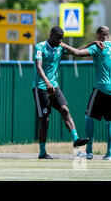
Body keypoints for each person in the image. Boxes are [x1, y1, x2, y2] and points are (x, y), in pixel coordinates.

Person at [61, 26, 111, 161]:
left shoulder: (98, 47)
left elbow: (77, 53)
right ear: (108, 35)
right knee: (110, 121)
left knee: (89, 117)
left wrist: (62, 44)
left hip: (101, 88)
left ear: (98, 35)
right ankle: (109, 154)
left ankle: (89, 152)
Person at [33, 26, 89, 159]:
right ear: (51, 35)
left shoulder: (60, 47)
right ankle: (42, 152)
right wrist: (47, 82)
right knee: (45, 120)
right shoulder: (40, 47)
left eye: (61, 38)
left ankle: (76, 139)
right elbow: (39, 67)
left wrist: (93, 44)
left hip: (54, 86)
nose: (60, 40)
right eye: (58, 37)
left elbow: (77, 52)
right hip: (41, 87)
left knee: (65, 110)